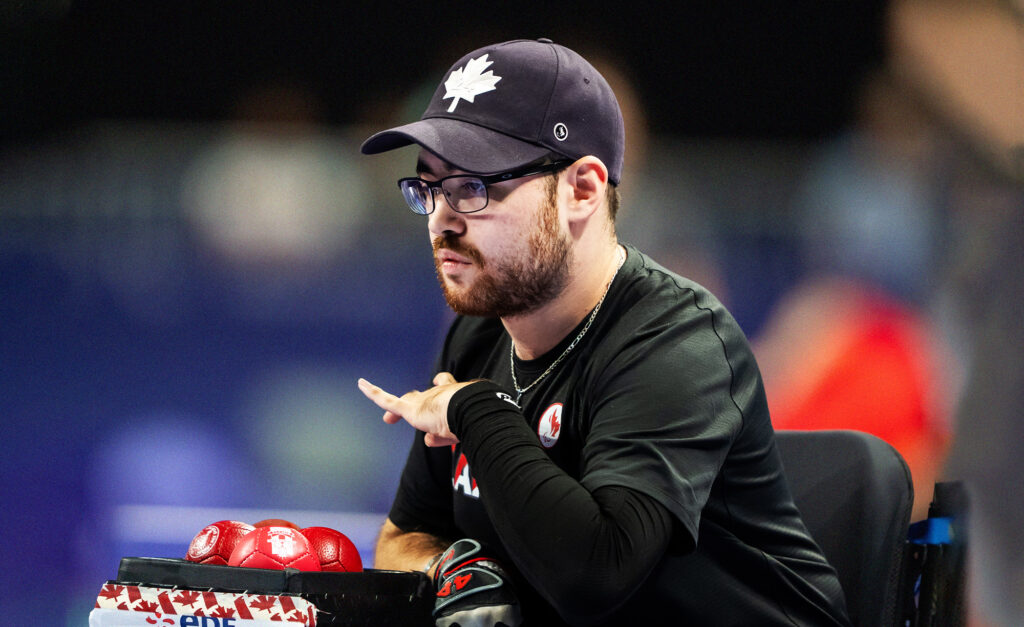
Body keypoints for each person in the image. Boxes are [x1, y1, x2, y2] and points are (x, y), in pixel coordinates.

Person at [357, 38, 850, 626]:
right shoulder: (478, 335)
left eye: (472, 187)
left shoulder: (678, 341)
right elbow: (405, 534)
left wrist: (475, 410)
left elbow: (596, 577)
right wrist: (454, 568)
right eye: (429, 188)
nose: (442, 217)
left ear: (583, 190)